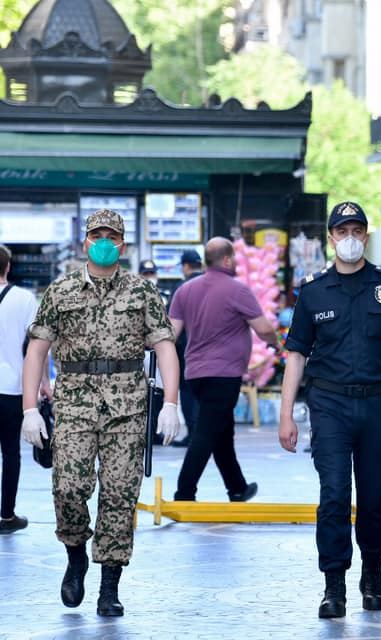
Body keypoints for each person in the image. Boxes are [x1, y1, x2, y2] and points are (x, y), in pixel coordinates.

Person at [21, 209, 181, 616]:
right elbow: (37, 348)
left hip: (127, 406)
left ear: (122, 245)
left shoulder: (142, 292)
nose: (104, 241)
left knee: (119, 495)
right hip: (74, 402)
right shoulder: (60, 290)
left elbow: (164, 345)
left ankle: (109, 585)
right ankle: (76, 555)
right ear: (85, 242)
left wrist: (171, 402)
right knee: (69, 488)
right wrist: (30, 409)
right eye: (97, 235)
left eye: (111, 235)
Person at [278, 201, 381, 619]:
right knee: (335, 494)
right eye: (341, 232)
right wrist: (287, 413)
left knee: (376, 496)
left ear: (366, 236)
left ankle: (373, 575)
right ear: (331, 238)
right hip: (330, 405)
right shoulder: (313, 291)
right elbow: (296, 355)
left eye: (356, 231)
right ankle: (333, 584)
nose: (349, 239)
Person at [169, 237, 278, 502]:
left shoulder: (185, 290)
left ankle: (237, 487)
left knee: (221, 432)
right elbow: (263, 328)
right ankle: (184, 493)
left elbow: (170, 333)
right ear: (227, 260)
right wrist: (277, 343)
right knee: (205, 433)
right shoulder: (237, 290)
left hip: (195, 373)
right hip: (224, 374)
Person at [0, 245, 50, 534]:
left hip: (12, 385)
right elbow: (38, 345)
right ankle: (7, 515)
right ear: (8, 267)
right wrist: (43, 382)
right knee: (10, 453)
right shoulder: (24, 298)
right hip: (11, 387)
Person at [169, 249, 204, 447]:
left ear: (185, 266)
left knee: (188, 390)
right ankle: (203, 434)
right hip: (209, 348)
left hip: (185, 348)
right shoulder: (211, 285)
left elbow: (172, 323)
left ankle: (193, 433)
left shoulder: (181, 287)